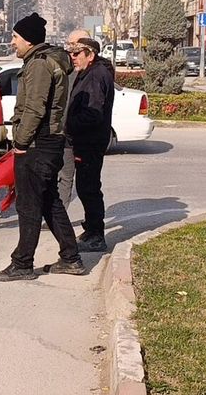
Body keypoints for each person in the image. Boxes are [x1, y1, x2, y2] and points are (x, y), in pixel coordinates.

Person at [0, 12, 85, 282]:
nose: (12, 42)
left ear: (29, 40)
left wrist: (20, 142)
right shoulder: (42, 60)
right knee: (49, 202)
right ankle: (71, 257)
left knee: (29, 205)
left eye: (15, 37)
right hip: (47, 143)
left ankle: (22, 264)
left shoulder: (39, 65)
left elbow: (34, 108)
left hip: (38, 144)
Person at [64, 36, 115, 252]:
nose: (72, 57)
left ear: (90, 55)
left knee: (89, 188)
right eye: (71, 53)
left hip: (90, 141)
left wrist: (67, 125)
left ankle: (96, 235)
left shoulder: (96, 75)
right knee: (86, 187)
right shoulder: (88, 73)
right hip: (85, 139)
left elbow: (92, 114)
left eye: (77, 53)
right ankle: (91, 229)